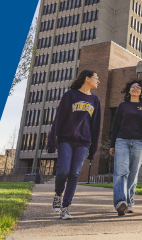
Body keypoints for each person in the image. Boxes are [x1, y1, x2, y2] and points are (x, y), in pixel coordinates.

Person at [47, 69, 102, 220]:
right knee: (63, 170)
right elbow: (58, 119)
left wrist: (93, 148)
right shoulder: (70, 95)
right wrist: (52, 142)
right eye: (96, 78)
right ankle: (58, 194)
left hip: (83, 142)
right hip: (66, 139)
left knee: (74, 174)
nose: (98, 81)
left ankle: (65, 208)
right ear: (87, 79)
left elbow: (96, 126)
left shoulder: (95, 100)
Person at [109, 79, 142, 216]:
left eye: (138, 87)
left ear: (141, 92)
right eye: (132, 87)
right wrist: (112, 144)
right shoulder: (123, 106)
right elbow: (115, 126)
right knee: (121, 171)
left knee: (133, 175)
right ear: (129, 90)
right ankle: (120, 202)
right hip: (122, 141)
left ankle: (129, 202)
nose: (135, 88)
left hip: (139, 143)